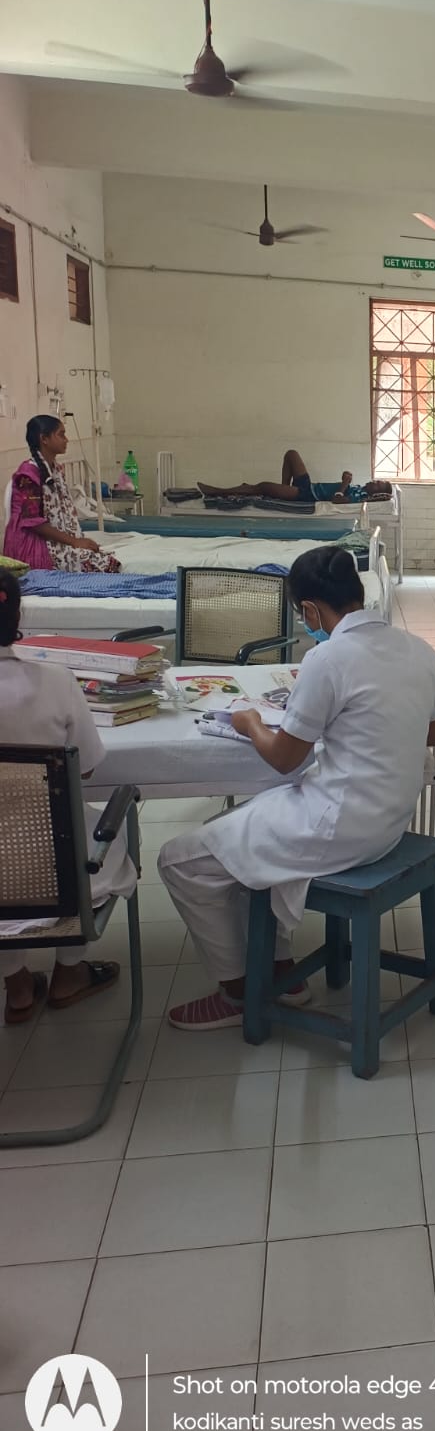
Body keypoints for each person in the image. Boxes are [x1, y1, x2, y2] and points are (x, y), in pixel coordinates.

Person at [159, 545, 435, 1029]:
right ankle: (282, 973)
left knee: (180, 861)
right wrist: (383, 725)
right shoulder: (416, 649)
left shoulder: (327, 658)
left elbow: (283, 759)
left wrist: (251, 723)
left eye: (303, 614)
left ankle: (237, 993)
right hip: (387, 823)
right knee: (241, 835)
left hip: (338, 827)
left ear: (312, 610)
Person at [0, 569, 126, 1023]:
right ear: (17, 616)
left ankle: (17, 986)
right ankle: (69, 971)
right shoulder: (55, 681)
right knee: (105, 833)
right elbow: (86, 766)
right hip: (52, 863)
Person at [4, 416, 121, 573]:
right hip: (34, 546)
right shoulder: (28, 475)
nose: (66, 439)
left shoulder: (56, 471)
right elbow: (32, 521)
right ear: (44, 439)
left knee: (106, 560)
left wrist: (77, 540)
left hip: (57, 541)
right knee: (102, 565)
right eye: (61, 434)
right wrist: (74, 542)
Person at [197, 450, 391, 505]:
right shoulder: (360, 488)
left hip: (306, 495)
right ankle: (283, 492)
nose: (374, 481)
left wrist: (344, 483)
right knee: (291, 454)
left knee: (262, 486)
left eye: (378, 484)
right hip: (309, 486)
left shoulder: (359, 498)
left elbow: (336, 500)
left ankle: (218, 491)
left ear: (377, 493)